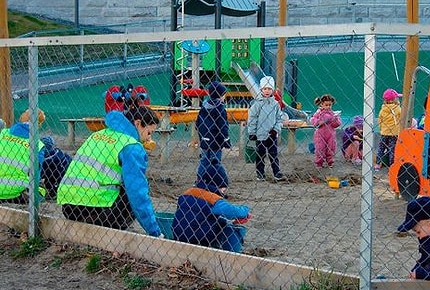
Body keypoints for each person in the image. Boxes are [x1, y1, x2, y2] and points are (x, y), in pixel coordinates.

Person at [57, 105, 164, 237]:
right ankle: (113, 231)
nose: (149, 138)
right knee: (136, 187)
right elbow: (137, 192)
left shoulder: (98, 134)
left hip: (69, 207)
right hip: (97, 211)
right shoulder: (131, 146)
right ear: (138, 123)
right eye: (149, 132)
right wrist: (155, 232)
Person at [172, 164, 252, 252]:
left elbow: (199, 215)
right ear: (217, 186)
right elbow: (233, 211)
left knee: (218, 219)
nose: (224, 193)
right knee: (221, 224)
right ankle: (219, 249)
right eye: (224, 190)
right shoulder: (212, 199)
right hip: (198, 239)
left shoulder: (187, 193)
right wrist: (246, 210)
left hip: (178, 234)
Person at [0, 109, 70, 203]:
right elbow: (35, 176)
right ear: (39, 125)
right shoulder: (37, 145)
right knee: (41, 192)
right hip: (16, 192)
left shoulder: (3, 133)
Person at [247, 76, 285, 181]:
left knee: (274, 154)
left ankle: (276, 173)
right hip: (260, 135)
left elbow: (279, 119)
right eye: (265, 89)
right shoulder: (257, 104)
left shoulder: (275, 104)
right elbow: (252, 118)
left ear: (272, 90)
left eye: (269, 89)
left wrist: (276, 129)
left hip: (272, 135)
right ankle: (260, 173)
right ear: (261, 90)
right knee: (260, 155)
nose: (267, 91)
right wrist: (252, 132)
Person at [195, 80, 230, 186]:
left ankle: (200, 180)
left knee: (204, 160)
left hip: (205, 139)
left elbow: (198, 123)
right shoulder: (220, 108)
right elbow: (222, 126)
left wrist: (202, 135)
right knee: (215, 162)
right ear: (219, 95)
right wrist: (226, 140)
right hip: (216, 141)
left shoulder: (205, 106)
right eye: (223, 94)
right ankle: (214, 182)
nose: (224, 97)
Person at [310, 94, 342, 168]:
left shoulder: (333, 113)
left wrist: (335, 119)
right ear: (322, 104)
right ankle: (319, 163)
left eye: (330, 105)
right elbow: (312, 119)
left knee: (331, 147)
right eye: (326, 105)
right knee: (320, 148)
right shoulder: (318, 112)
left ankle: (330, 162)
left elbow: (336, 124)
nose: (328, 107)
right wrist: (318, 122)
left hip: (330, 134)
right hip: (320, 133)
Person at [375, 88, 402, 171]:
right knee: (392, 149)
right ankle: (392, 165)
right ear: (394, 100)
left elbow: (380, 120)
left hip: (384, 132)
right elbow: (401, 119)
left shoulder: (383, 109)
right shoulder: (397, 109)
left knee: (381, 148)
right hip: (394, 133)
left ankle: (378, 164)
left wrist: (382, 129)